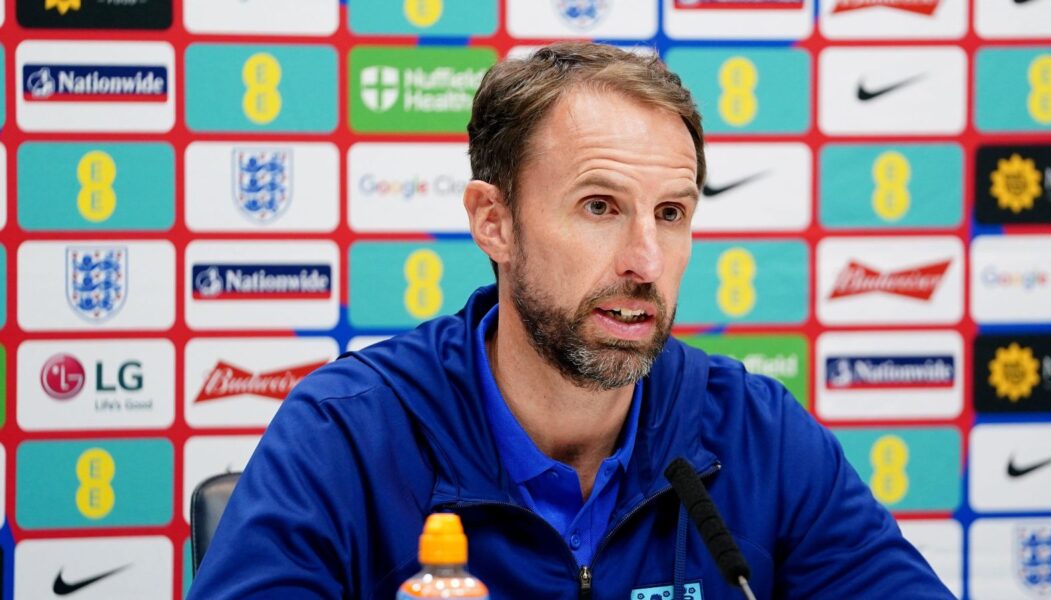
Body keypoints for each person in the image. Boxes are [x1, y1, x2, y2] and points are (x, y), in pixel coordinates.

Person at [189, 42, 954, 599]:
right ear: (493, 222)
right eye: (599, 207)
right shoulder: (349, 435)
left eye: (670, 214)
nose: (645, 262)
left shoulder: (753, 434)